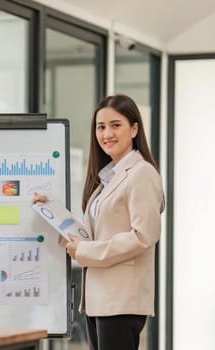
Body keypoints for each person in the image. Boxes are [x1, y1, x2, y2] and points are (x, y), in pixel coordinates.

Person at [33, 94, 164, 350]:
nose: (107, 134)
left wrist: (84, 250)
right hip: (98, 300)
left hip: (121, 300)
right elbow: (97, 231)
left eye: (116, 125)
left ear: (134, 129)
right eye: (100, 127)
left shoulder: (142, 174)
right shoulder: (105, 180)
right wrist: (52, 209)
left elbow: (143, 236)